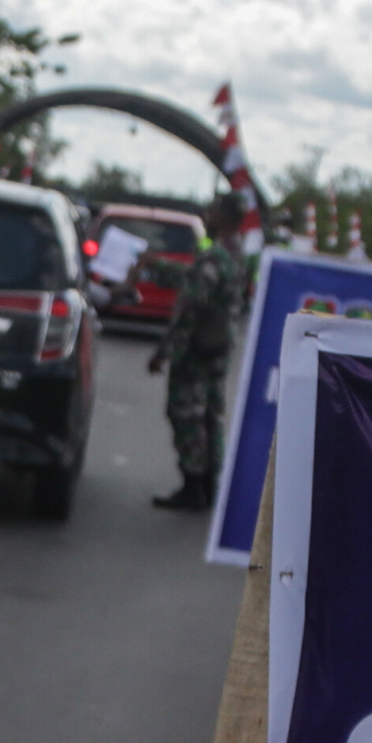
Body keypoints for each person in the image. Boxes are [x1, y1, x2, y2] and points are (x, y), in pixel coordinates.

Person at [152, 194, 244, 513]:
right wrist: (159, 266)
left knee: (186, 415)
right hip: (219, 349)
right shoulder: (237, 254)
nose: (207, 215)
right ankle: (210, 486)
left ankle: (194, 484)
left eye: (212, 210)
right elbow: (196, 279)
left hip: (196, 352)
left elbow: (192, 305)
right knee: (211, 415)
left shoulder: (216, 256)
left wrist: (165, 350)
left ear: (223, 216)